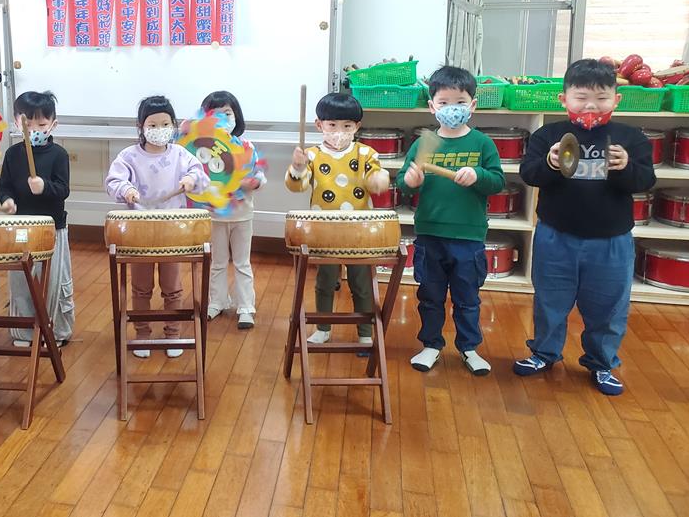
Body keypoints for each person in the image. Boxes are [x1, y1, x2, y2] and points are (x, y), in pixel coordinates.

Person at [514, 58, 655, 395]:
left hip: (611, 240)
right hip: (555, 235)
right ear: (563, 99)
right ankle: (544, 353)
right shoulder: (548, 135)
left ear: (616, 100)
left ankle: (602, 363)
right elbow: (529, 174)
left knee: (608, 307)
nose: (591, 106)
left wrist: (626, 167)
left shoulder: (631, 138)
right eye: (581, 97)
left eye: (601, 98)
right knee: (550, 300)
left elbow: (645, 181)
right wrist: (549, 163)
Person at [397, 66, 505, 375]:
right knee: (429, 297)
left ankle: (469, 348)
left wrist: (478, 175)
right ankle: (431, 345)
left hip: (469, 237)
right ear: (432, 106)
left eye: (460, 102)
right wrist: (411, 181)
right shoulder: (423, 143)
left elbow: (497, 182)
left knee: (467, 298)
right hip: (430, 234)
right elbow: (404, 182)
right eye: (444, 102)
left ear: (472, 105)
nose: (451, 109)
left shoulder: (482, 144)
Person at [105, 95, 209, 358]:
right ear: (140, 126)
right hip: (140, 232)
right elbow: (113, 181)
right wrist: (126, 190)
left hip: (173, 232)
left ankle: (173, 333)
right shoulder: (128, 156)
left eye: (165, 124)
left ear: (173, 125)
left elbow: (200, 176)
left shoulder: (180, 154)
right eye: (152, 125)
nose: (159, 129)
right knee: (141, 287)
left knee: (172, 287)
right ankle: (142, 334)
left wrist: (191, 179)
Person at [286, 92, 389, 349]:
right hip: (325, 232)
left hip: (359, 233)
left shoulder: (366, 153)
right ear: (319, 125)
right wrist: (297, 168)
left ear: (357, 126)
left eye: (347, 126)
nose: (339, 132)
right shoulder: (311, 155)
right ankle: (323, 328)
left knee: (361, 284)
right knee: (324, 282)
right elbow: (297, 187)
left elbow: (376, 177)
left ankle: (365, 333)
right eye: (332, 125)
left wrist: (379, 180)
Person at [0, 90, 73, 346]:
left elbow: (63, 190)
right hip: (21, 226)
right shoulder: (13, 154)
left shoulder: (59, 154)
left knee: (55, 282)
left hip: (53, 227)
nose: (34, 130)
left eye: (41, 125)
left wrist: (45, 187)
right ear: (16, 122)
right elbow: (5, 186)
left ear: (53, 124)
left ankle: (56, 331)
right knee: (20, 281)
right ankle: (23, 331)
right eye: (27, 124)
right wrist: (7, 201)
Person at [197, 91, 267, 329]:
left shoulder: (246, 146)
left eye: (227, 113)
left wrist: (253, 183)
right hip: (214, 215)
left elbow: (259, 176)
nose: (222, 119)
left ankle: (246, 307)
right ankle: (216, 302)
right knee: (217, 262)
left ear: (236, 115)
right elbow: (197, 178)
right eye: (214, 115)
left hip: (242, 214)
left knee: (242, 263)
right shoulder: (202, 149)